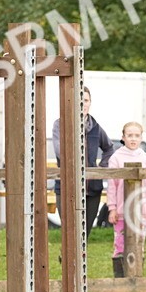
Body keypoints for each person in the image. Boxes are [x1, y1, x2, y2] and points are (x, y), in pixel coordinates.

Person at [52, 86, 113, 236]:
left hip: (92, 189)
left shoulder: (96, 128)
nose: (83, 103)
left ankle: (80, 259)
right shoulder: (60, 124)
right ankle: (66, 258)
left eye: (85, 100)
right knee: (69, 232)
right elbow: (60, 152)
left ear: (90, 103)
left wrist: (100, 167)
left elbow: (109, 148)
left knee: (85, 234)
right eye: (79, 100)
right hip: (67, 186)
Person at [105, 122, 146, 278]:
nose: (133, 139)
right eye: (130, 135)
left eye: (136, 135)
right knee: (120, 243)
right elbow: (112, 186)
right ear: (123, 137)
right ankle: (120, 278)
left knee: (139, 242)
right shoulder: (116, 158)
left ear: (141, 137)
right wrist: (112, 208)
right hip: (121, 211)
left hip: (140, 211)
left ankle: (137, 276)